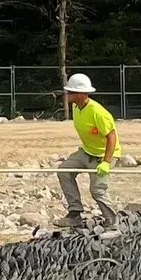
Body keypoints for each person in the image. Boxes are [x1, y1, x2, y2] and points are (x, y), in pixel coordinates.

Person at [57, 73, 118, 230]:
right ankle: (75, 214)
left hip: (103, 155)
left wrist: (106, 162)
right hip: (86, 152)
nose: (67, 95)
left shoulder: (98, 112)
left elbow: (112, 137)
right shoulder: (76, 107)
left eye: (70, 92)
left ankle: (112, 222)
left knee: (97, 190)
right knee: (64, 170)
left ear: (81, 94)